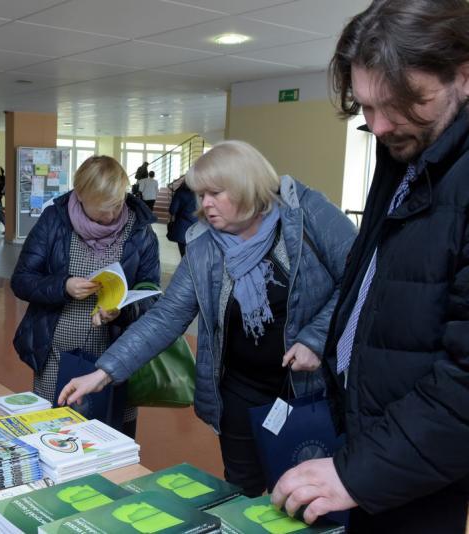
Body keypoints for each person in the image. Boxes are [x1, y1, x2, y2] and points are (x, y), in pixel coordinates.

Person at [59, 141, 356, 495]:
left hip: (310, 391)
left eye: (215, 193)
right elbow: (167, 317)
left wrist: (315, 339)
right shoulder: (205, 247)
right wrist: (103, 372)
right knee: (241, 494)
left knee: (307, 496)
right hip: (239, 392)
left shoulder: (306, 214)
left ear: (247, 186)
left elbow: (359, 278)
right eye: (201, 195)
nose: (204, 205)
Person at [271, 1, 469, 530]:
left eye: (402, 103)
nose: (378, 126)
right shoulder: (406, 148)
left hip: (417, 459)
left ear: (464, 76)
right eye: (365, 106)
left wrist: (359, 473)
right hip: (373, 438)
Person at [11, 155, 160, 438]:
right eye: (103, 209)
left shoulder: (139, 231)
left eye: (117, 204)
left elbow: (150, 295)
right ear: (79, 196)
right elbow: (21, 281)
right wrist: (63, 286)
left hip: (116, 362)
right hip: (54, 360)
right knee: (53, 438)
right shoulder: (55, 221)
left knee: (112, 443)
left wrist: (124, 310)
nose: (112, 215)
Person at [166, 177, 197, 256]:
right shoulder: (204, 193)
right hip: (200, 229)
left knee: (184, 256)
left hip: (183, 229)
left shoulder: (181, 192)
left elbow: (172, 210)